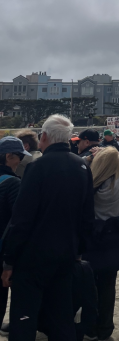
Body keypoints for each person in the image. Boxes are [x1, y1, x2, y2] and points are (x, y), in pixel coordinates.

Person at [1, 114, 94, 341]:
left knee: (24, 318)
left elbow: (22, 219)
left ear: (43, 137)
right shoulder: (82, 166)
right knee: (61, 316)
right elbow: (87, 216)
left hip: (33, 257)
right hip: (66, 255)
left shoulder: (37, 167)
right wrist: (79, 250)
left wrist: (9, 259)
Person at [83, 147, 119, 340]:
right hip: (113, 235)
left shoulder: (89, 182)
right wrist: (111, 152)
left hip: (92, 235)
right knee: (108, 285)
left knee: (90, 284)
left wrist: (90, 157)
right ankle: (105, 326)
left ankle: (91, 326)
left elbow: (80, 163)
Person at [0, 137, 30, 332]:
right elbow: (18, 224)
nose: (20, 161)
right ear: (9, 156)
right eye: (18, 156)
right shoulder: (13, 184)